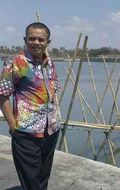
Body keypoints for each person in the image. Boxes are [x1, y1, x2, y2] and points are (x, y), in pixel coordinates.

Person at [0, 22, 61, 190]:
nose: (36, 42)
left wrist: (53, 114)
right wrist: (13, 126)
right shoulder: (17, 63)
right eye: (32, 38)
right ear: (25, 40)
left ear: (48, 42)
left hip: (51, 130)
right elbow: (3, 95)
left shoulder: (49, 63)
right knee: (31, 180)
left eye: (41, 39)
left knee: (43, 176)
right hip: (26, 132)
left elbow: (53, 90)